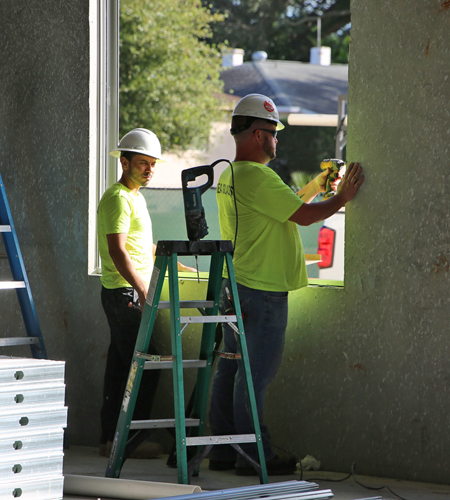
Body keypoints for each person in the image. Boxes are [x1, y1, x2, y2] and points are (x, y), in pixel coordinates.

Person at [209, 94, 364, 476]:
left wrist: (317, 184)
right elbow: (305, 217)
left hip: (239, 285)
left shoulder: (231, 174)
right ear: (260, 135)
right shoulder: (259, 177)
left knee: (231, 367)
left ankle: (224, 450)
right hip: (262, 291)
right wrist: (342, 197)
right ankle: (253, 454)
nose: (277, 141)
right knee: (255, 374)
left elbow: (283, 207)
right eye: (275, 134)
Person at [97, 128, 194, 458]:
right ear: (124, 163)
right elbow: (118, 251)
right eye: (142, 163)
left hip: (123, 293)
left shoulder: (135, 198)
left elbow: (140, 247)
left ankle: (110, 441)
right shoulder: (118, 198)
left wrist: (179, 266)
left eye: (152, 164)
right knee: (146, 365)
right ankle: (129, 443)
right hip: (124, 294)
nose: (149, 169)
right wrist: (141, 289)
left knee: (121, 368)